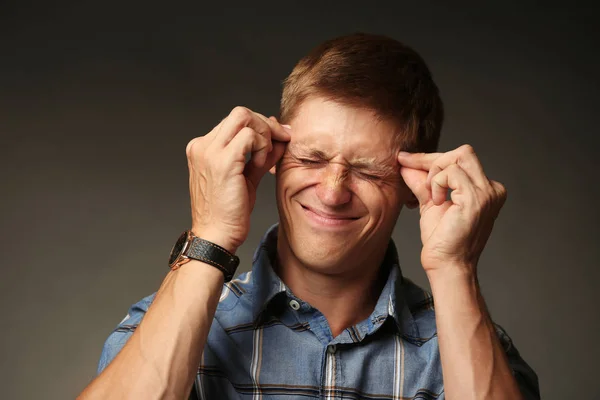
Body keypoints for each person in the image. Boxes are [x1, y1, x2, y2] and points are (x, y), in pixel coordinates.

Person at [78, 33, 540, 399]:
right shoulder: (163, 325)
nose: (333, 192)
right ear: (275, 156)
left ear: (412, 187)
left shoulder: (471, 345)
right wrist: (211, 236)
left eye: (367, 171)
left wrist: (455, 268)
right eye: (312, 158)